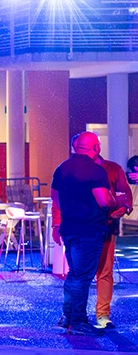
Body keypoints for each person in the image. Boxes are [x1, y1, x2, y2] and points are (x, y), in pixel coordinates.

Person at [51, 132, 118, 333]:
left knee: (74, 274)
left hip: (69, 228)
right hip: (89, 230)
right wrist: (116, 201)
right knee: (82, 277)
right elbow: (104, 201)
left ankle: (68, 316)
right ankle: (78, 321)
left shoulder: (62, 168)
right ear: (96, 147)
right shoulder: (96, 170)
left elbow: (55, 198)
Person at [94, 154, 135, 329]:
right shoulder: (73, 168)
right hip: (81, 228)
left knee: (104, 271)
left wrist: (124, 207)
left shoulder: (112, 168)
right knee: (80, 274)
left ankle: (102, 314)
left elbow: (125, 193)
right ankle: (74, 315)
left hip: (106, 224)